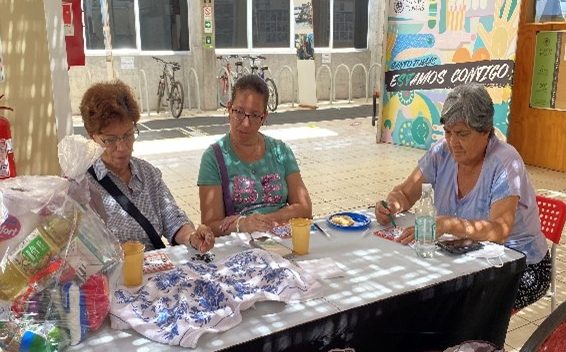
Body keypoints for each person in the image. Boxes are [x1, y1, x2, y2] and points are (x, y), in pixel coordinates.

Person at [375, 82, 550, 310]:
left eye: (462, 134)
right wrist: (391, 205)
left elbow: (499, 231)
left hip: (521, 264)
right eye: (448, 132)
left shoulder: (505, 163)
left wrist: (449, 224)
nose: (453, 143)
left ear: (486, 131)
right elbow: (406, 193)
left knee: (462, 309)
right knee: (416, 294)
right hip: (463, 257)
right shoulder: (441, 152)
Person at [80, 80, 214, 252]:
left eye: (128, 135)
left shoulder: (147, 173)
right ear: (92, 137)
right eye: (110, 140)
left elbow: (172, 217)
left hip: (156, 270)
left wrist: (191, 237)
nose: (121, 147)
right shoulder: (83, 185)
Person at [198, 74, 312, 235]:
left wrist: (263, 221)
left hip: (283, 242)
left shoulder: (280, 151)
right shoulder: (213, 158)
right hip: (241, 250)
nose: (245, 123)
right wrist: (242, 225)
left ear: (264, 117)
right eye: (239, 112)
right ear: (229, 109)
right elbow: (210, 227)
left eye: (254, 115)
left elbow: (305, 208)